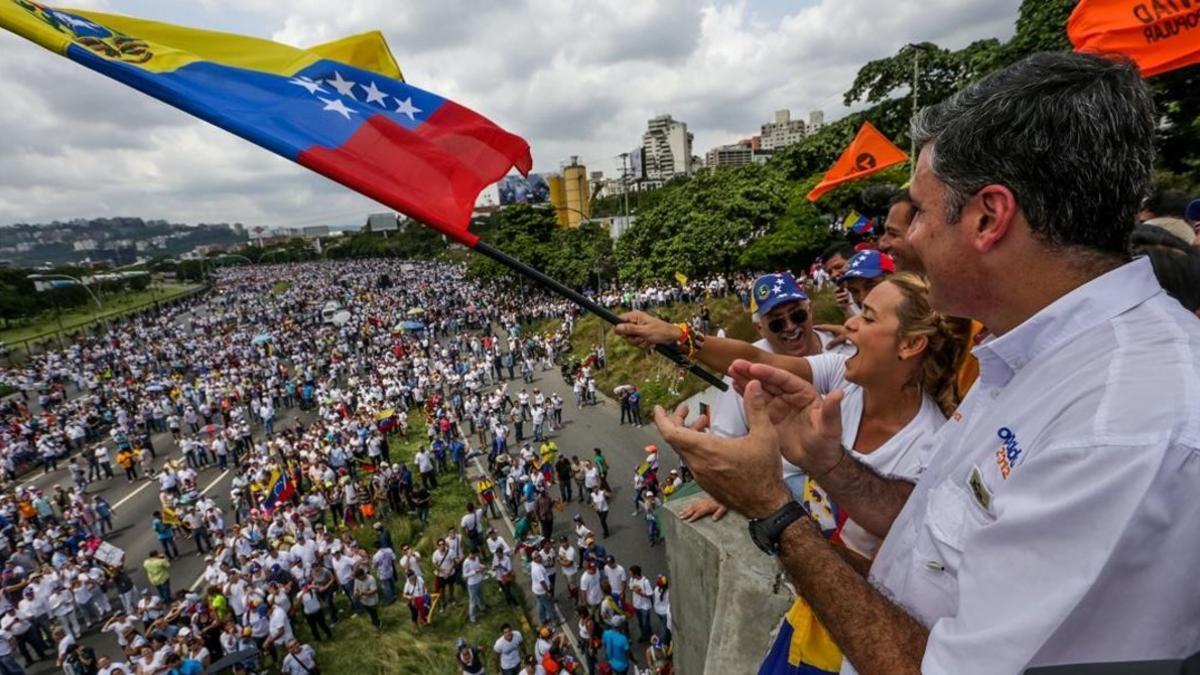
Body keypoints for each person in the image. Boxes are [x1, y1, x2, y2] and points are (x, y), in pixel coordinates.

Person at [648, 52, 1200, 674]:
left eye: (921, 211)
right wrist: (829, 462)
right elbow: (942, 521)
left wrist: (774, 511)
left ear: (989, 217)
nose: (901, 240)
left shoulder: (1119, 428)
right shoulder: (1034, 357)